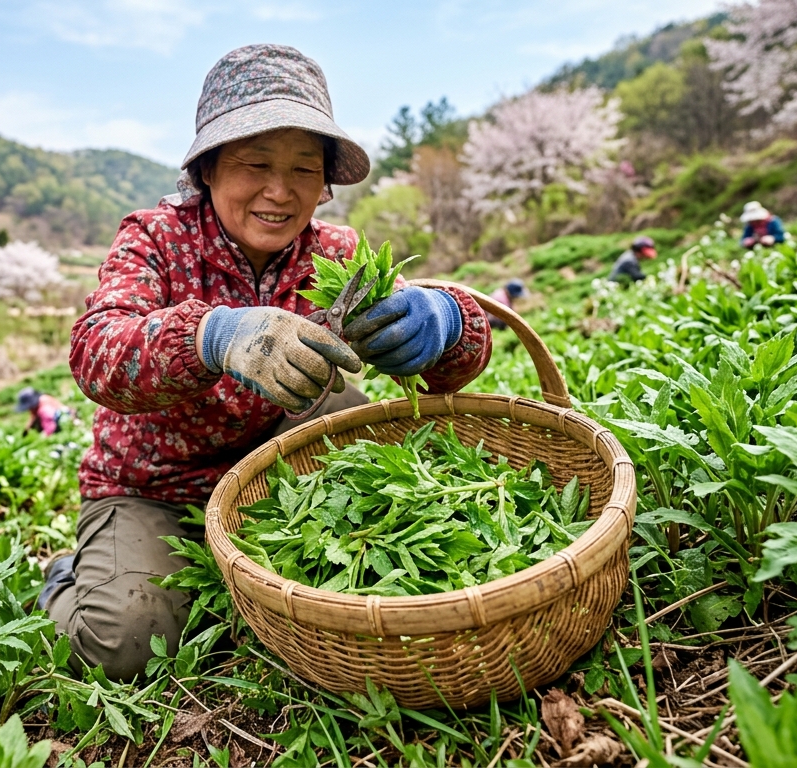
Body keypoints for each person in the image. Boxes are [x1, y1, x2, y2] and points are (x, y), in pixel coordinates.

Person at [42, 44, 492, 680]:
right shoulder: (155, 239)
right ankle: (67, 579)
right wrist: (212, 334)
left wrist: (445, 326)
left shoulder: (334, 253)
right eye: (255, 163)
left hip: (282, 478)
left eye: (304, 170)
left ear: (325, 183)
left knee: (341, 406)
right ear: (208, 170)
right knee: (129, 643)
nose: (280, 192)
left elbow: (447, 370)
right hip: (159, 492)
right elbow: (97, 350)